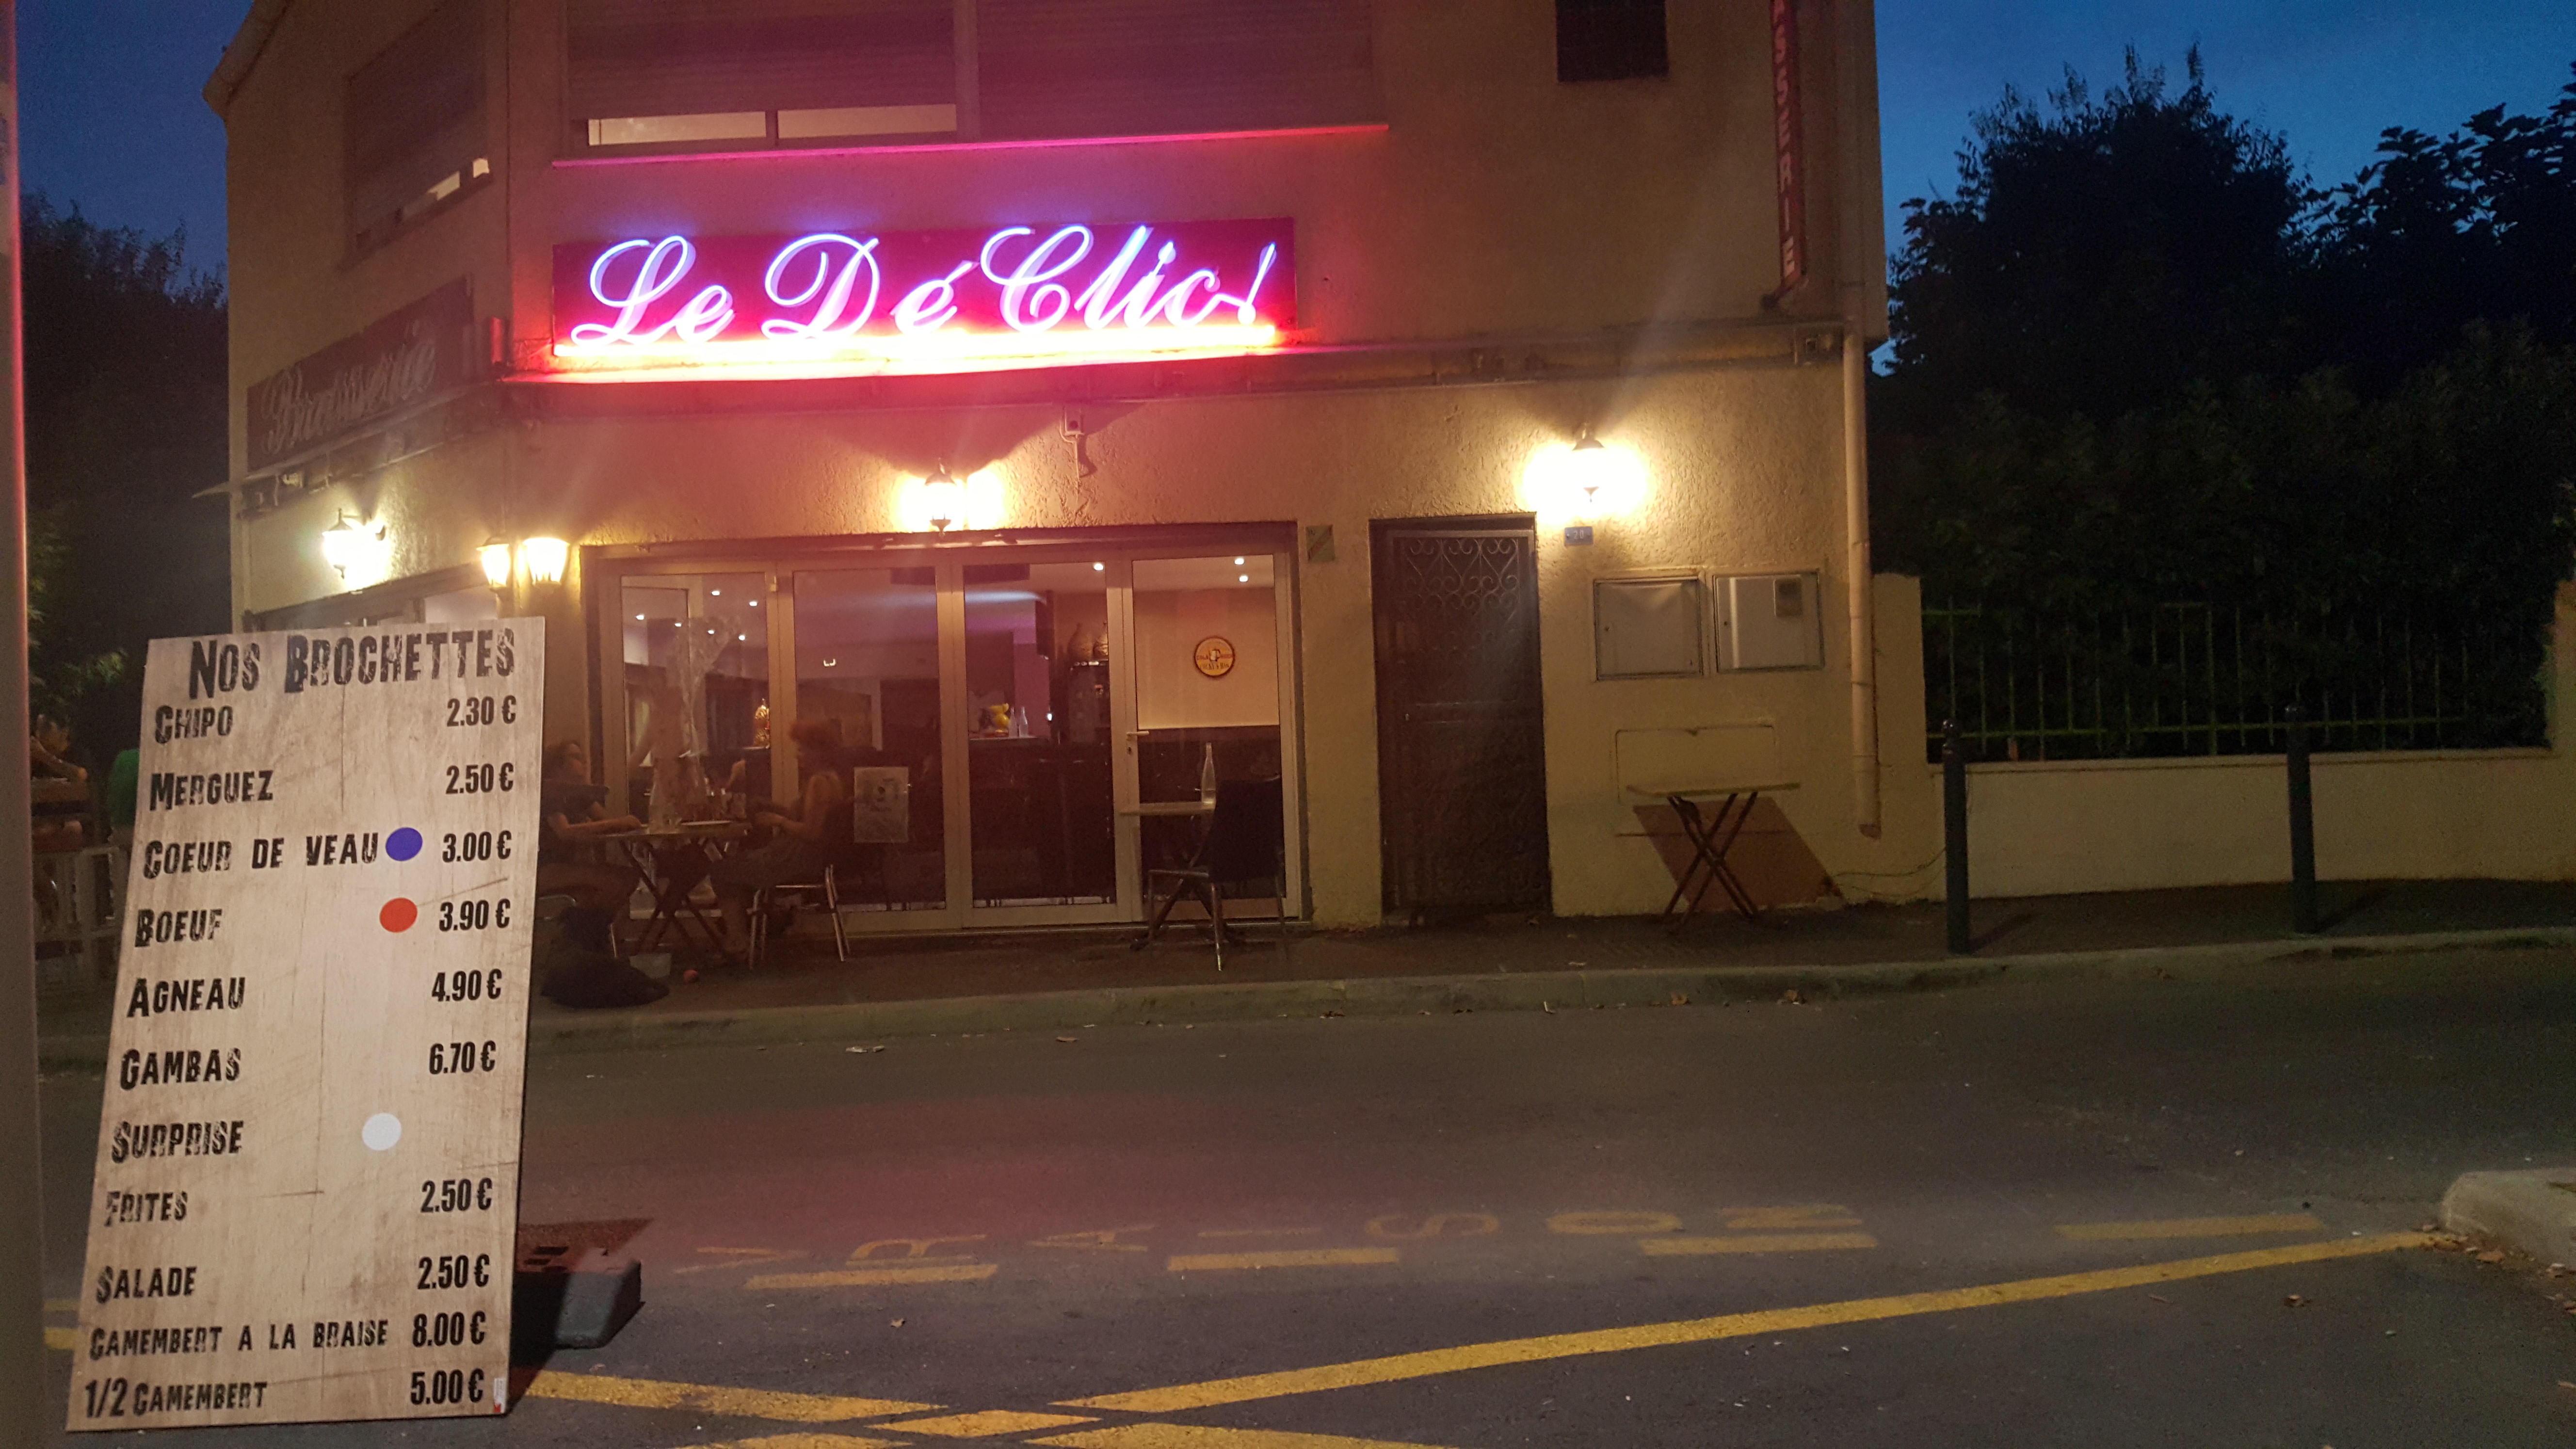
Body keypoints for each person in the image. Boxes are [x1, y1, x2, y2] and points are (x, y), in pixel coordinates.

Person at [708, 718, 851, 964]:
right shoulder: (832, 779)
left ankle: (738, 942)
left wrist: (778, 821)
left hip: (798, 859)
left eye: (802, 750)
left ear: (818, 752)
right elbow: (807, 818)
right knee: (736, 867)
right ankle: (745, 936)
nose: (797, 756)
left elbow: (812, 832)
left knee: (722, 872)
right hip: (810, 858)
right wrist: (770, 807)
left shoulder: (819, 783)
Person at [538, 739, 644, 917]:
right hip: (545, 869)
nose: (584, 762)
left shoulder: (578, 793)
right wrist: (621, 823)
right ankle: (586, 926)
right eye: (576, 757)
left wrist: (618, 823)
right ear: (558, 765)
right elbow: (564, 832)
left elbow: (606, 821)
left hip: (568, 865)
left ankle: (588, 925)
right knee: (613, 881)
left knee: (630, 877)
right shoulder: (551, 792)